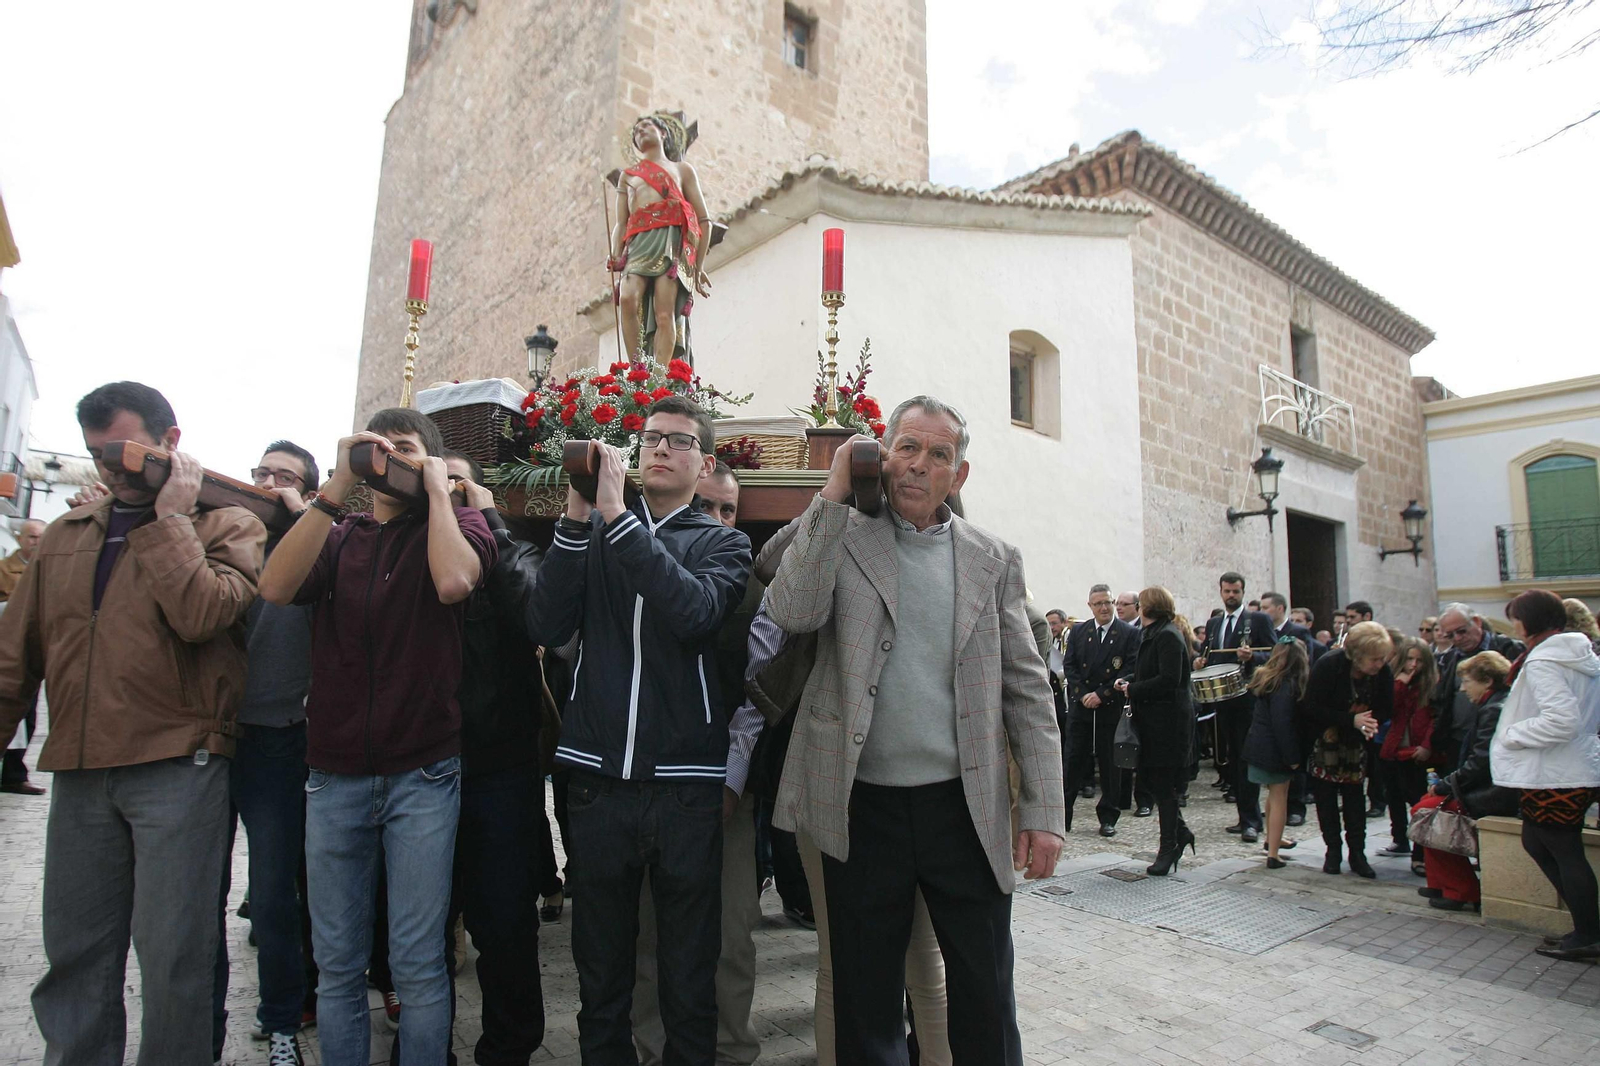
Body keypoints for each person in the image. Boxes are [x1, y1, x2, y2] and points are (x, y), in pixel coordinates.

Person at [766, 395, 1063, 1066]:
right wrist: (835, 490)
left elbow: (1027, 690)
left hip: (965, 809)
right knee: (865, 1001)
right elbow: (792, 610)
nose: (919, 465)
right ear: (883, 453)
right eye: (906, 447)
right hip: (860, 809)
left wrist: (1044, 812)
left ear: (959, 474)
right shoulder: (843, 534)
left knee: (985, 992)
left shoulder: (994, 558)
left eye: (938, 454)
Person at [0, 381, 266, 1066]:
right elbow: (12, 661)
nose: (108, 468)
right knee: (75, 955)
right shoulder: (65, 536)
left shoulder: (227, 525)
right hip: (81, 769)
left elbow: (204, 615)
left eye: (121, 451)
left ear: (168, 442)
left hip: (180, 765)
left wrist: (171, 520)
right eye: (95, 454)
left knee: (174, 955)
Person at [258, 409, 496, 1066]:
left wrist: (440, 492)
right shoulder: (341, 537)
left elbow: (454, 581)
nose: (387, 456)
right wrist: (336, 487)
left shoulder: (463, 524)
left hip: (424, 774)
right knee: (338, 964)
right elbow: (275, 586)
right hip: (334, 773)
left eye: (405, 448)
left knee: (416, 962)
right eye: (377, 446)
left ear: (432, 460)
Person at [524, 396, 752, 1064]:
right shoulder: (593, 534)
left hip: (685, 787)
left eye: (679, 441)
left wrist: (617, 517)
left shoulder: (723, 542)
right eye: (651, 438)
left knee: (687, 973)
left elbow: (694, 612)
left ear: (704, 464)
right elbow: (546, 626)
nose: (660, 448)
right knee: (600, 975)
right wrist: (576, 518)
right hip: (598, 785)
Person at [635, 459, 766, 1066]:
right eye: (704, 506)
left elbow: (759, 687)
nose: (715, 519)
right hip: (653, 783)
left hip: (723, 787)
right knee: (650, 933)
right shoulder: (643, 563)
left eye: (727, 509)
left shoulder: (751, 589)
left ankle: (732, 1050)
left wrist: (732, 780)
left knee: (732, 933)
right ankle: (652, 1049)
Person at [429, 449, 550, 1066]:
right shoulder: (411, 550)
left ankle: (509, 1049)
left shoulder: (513, 548)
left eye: (455, 481)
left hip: (498, 766)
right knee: (421, 929)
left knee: (504, 926)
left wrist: (491, 525)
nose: (444, 489)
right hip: (419, 767)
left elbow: (537, 616)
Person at [215, 441, 321, 1066]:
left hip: (279, 739)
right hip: (211, 734)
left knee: (275, 890)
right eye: (262, 472)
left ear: (308, 490)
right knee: (201, 891)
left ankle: (282, 1018)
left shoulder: (315, 549)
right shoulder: (223, 536)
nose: (269, 483)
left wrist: (307, 517)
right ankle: (203, 1024)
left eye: (285, 476)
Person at [1490, 589, 1600, 961]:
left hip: (1556, 772)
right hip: (1567, 768)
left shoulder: (1544, 661)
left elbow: (1562, 721)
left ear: (1532, 620)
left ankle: (1589, 933)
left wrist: (1512, 734)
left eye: (1517, 617)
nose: (1513, 624)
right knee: (1538, 842)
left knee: (1563, 849)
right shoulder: (1576, 654)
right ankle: (1587, 929)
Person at [1414, 651, 1516, 911]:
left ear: (1487, 681)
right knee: (1426, 805)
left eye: (1467, 682)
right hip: (1493, 786)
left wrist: (1444, 785)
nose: (1462, 688)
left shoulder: (1494, 710)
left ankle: (1461, 890)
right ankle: (1441, 882)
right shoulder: (1495, 704)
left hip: (1496, 792)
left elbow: (1480, 763)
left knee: (1428, 812)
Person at [610, 111, 712, 362]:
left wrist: (698, 266)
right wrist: (615, 253)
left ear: (663, 133)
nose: (640, 131)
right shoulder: (628, 176)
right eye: (636, 131)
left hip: (670, 244)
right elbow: (621, 222)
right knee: (627, 298)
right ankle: (636, 371)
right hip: (638, 243)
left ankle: (659, 375)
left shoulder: (682, 170)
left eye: (646, 126)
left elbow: (704, 220)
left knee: (665, 314)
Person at [1114, 586, 1195, 876]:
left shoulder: (1168, 635)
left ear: (1149, 607)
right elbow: (1148, 671)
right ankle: (1180, 834)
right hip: (1152, 722)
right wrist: (1127, 680)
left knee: (1164, 785)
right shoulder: (1151, 634)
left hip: (1167, 725)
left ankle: (1169, 847)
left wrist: (1133, 689)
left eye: (1140, 603)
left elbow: (1170, 679)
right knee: (1153, 782)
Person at [1303, 621, 1392, 878]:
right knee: (1326, 800)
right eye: (1374, 659)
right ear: (1357, 655)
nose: (1379, 664)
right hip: (1326, 741)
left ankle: (1358, 854)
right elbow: (1311, 707)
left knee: (1355, 801)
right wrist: (1350, 719)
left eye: (1382, 658)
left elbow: (1386, 706)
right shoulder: (1329, 665)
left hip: (1358, 744)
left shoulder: (1382, 672)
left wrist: (1369, 721)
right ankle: (1333, 851)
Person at [1196, 572, 1275, 842]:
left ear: (1242, 592)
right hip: (1222, 699)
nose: (1231, 595)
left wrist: (1253, 657)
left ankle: (1251, 820)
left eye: (1236, 591)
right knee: (1229, 758)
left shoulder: (1258, 620)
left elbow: (1275, 653)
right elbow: (1208, 652)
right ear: (1220, 591)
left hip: (1247, 698)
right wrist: (1200, 661)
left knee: (1245, 758)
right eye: (1227, 591)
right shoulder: (1214, 623)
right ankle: (1243, 817)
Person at [1060, 584, 1140, 835]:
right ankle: (1063, 816)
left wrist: (1102, 694)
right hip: (1082, 706)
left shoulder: (1128, 633)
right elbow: (1070, 666)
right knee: (1072, 761)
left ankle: (1108, 816)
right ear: (1090, 606)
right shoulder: (1079, 631)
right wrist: (1084, 694)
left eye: (1107, 602)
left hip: (1109, 706)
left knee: (1110, 765)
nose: (1104, 608)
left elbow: (1130, 667)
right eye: (1098, 604)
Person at [1433, 603, 1526, 776]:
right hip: (1458, 739)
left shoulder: (1509, 648)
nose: (1457, 638)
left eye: (1461, 631)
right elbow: (1443, 699)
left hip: (1498, 736)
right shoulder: (1450, 658)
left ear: (1476, 622)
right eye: (1450, 635)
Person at [1241, 637, 1310, 868]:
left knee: (1273, 795)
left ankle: (1273, 838)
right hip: (1274, 750)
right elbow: (1283, 726)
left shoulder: (1268, 680)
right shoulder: (1286, 686)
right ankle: (1273, 854)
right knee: (1280, 798)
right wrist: (1292, 758)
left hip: (1259, 746)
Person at [1377, 637, 1438, 868]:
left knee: (1419, 802)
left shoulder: (1432, 685)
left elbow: (1435, 719)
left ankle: (1420, 854)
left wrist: (1427, 746)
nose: (1413, 665)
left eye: (1418, 660)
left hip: (1417, 750)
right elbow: (1388, 710)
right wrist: (1400, 685)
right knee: (1393, 797)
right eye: (1410, 659)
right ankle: (1399, 839)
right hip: (1394, 747)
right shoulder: (1395, 681)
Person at [0, 517, 47, 794]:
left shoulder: (51, 569)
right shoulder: (3, 570)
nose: (37, 542)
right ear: (19, 539)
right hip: (7, 649)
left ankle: (15, 774)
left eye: (41, 537)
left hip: (34, 650)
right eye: (32, 537)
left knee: (28, 716)